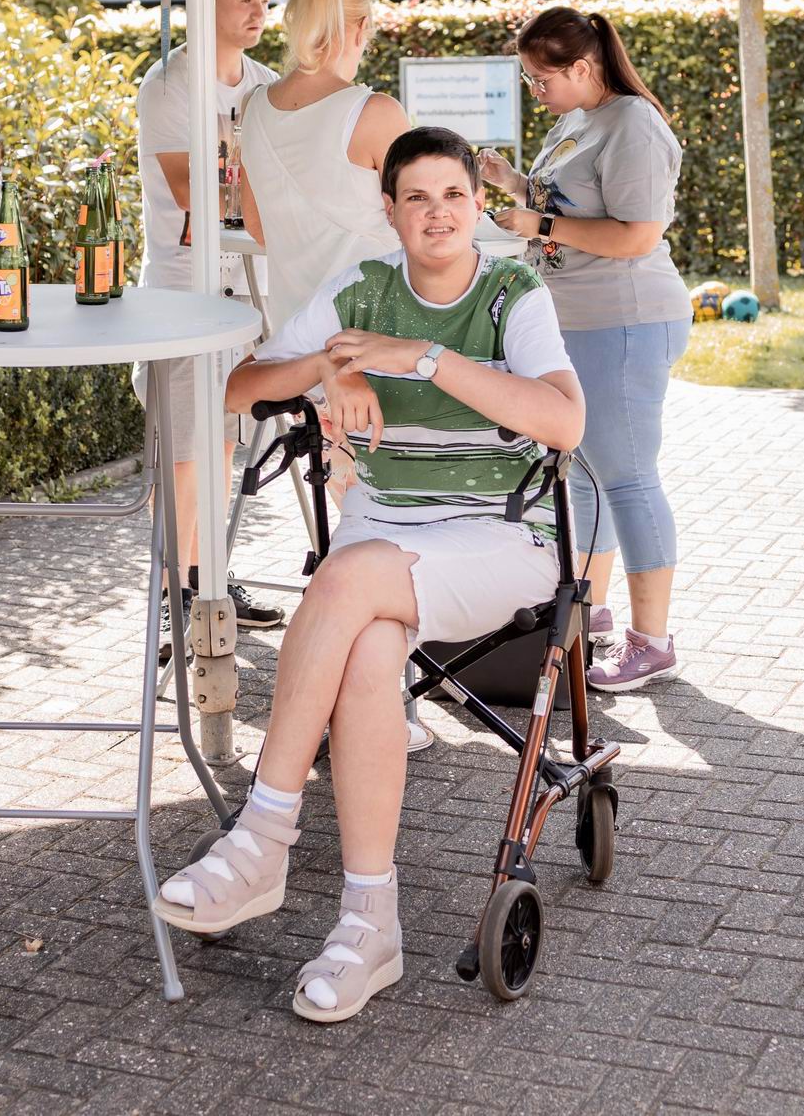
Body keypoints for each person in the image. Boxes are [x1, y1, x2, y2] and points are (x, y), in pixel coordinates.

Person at [152, 127, 584, 1023]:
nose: (438, 213)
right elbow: (239, 388)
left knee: (342, 583)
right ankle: (368, 925)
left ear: (479, 205)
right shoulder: (361, 289)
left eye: (454, 195)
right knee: (368, 652)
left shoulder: (514, 294)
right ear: (389, 210)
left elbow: (563, 422)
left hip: (500, 538)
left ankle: (263, 832)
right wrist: (329, 366)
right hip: (387, 530)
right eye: (416, 197)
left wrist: (417, 358)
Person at [482, 6, 687, 691]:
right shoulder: (578, 119)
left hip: (624, 320)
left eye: (541, 79)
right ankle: (590, 609)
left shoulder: (634, 125)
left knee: (627, 478)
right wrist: (514, 184)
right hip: (574, 319)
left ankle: (652, 642)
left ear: (582, 66)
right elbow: (571, 201)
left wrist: (538, 223)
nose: (534, 90)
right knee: (584, 473)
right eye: (528, 78)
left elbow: (636, 235)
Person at [133, 0, 287, 639]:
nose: (259, 12)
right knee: (186, 454)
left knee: (224, 443)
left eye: (265, 0)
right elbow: (199, 194)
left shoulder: (266, 85)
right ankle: (176, 594)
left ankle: (211, 580)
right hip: (183, 291)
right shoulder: (171, 85)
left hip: (248, 290)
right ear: (208, 0)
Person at [237, 0, 408, 336]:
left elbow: (256, 224)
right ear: (362, 28)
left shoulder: (254, 105)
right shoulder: (376, 113)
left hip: (295, 331)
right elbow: (419, 223)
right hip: (377, 327)